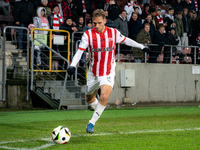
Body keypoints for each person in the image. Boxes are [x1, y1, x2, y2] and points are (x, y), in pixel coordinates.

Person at [67, 9, 149, 133]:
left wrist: (141, 46)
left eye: (99, 23)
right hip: (93, 73)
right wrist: (73, 65)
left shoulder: (113, 33)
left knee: (104, 96)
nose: (97, 26)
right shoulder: (88, 35)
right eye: (94, 23)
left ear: (104, 21)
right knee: (89, 99)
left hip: (108, 71)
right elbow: (80, 51)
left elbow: (126, 40)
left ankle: (91, 123)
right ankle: (99, 109)